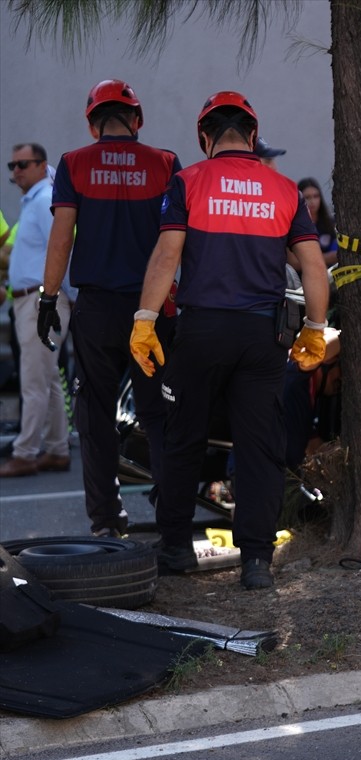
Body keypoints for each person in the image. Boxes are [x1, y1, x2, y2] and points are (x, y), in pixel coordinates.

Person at [131, 91, 330, 589]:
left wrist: (145, 321)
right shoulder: (284, 190)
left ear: (205, 137)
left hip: (200, 332)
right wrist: (315, 329)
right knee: (259, 445)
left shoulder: (189, 182)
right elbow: (312, 266)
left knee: (183, 439)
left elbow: (166, 256)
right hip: (263, 335)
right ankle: (257, 562)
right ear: (254, 135)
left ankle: (175, 549)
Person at [35, 80, 182, 533]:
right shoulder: (165, 164)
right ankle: (172, 521)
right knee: (160, 415)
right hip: (153, 311)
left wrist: (47, 299)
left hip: (95, 311)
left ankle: (106, 522)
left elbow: (62, 239)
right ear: (137, 120)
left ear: (92, 122)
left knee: (95, 416)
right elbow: (178, 240)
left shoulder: (74, 164)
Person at [0, 143, 72, 478]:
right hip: (37, 299)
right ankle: (57, 449)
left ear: (42, 165)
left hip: (40, 301)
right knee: (47, 379)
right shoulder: (39, 200)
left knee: (34, 380)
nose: (16, 171)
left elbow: (61, 248)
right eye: (12, 165)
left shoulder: (44, 201)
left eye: (23, 164)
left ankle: (25, 452)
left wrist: (52, 298)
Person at [298, 178, 338, 267]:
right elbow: (295, 263)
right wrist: (328, 257)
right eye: (307, 197)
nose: (312, 202)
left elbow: (336, 248)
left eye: (316, 196)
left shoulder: (331, 223)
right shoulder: (295, 226)